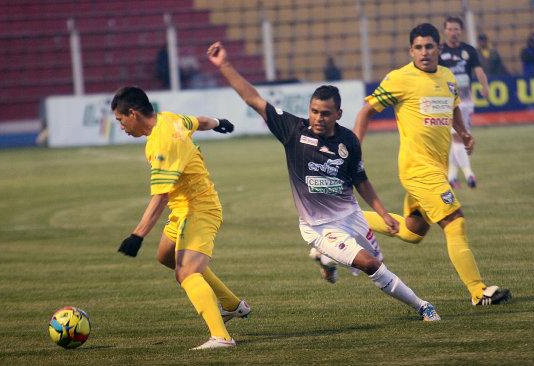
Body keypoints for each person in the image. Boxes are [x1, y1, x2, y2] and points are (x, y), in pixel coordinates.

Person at [208, 41, 442, 322]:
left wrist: (382, 214)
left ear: (338, 115)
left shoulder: (348, 141)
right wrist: (224, 65)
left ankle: (325, 258)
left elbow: (361, 180)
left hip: (352, 216)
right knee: (372, 265)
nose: (318, 118)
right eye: (315, 111)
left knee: (378, 263)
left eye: (326, 113)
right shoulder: (293, 130)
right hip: (318, 226)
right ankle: (422, 306)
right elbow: (253, 99)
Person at [354, 23, 512, 307]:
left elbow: (453, 109)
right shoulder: (400, 79)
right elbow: (366, 111)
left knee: (412, 231)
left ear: (439, 49)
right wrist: (355, 148)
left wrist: (463, 133)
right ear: (410, 50)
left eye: (429, 47)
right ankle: (478, 291)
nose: (424, 52)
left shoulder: (448, 76)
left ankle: (347, 219)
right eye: (418, 47)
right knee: (455, 222)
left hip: (435, 168)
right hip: (418, 169)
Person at [111, 86, 250, 350]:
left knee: (186, 272)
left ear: (132, 113)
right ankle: (232, 305)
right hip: (183, 209)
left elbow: (160, 197)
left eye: (120, 120)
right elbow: (199, 121)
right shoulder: (169, 118)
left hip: (198, 208)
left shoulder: (162, 142)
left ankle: (221, 337)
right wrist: (220, 123)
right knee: (166, 256)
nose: (121, 127)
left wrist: (136, 236)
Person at [439, 16, 489, 189]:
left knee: (458, 139)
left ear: (461, 31)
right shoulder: (439, 52)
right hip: (448, 103)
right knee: (459, 137)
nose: (453, 33)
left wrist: (485, 86)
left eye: (456, 29)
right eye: (450, 29)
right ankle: (469, 175)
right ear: (445, 31)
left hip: (466, 101)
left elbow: (478, 70)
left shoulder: (469, 50)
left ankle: (452, 177)